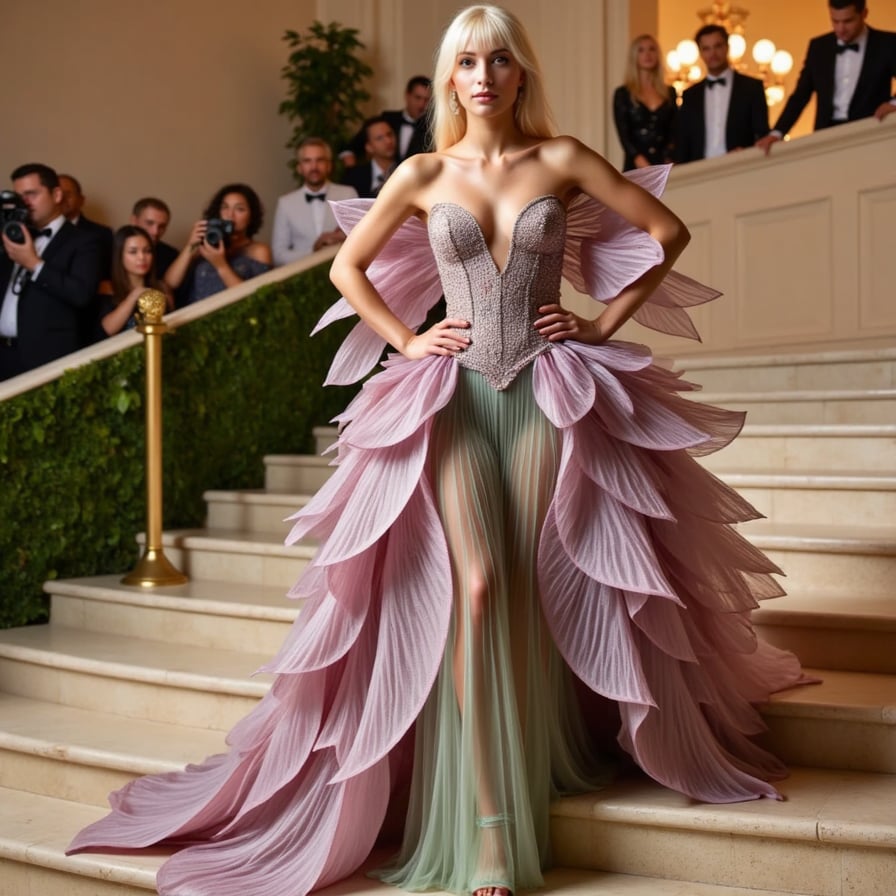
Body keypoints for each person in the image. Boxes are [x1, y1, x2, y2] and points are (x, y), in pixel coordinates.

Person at [68, 6, 811, 896]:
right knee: (478, 582)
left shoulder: (563, 159)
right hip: (454, 397)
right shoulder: (422, 171)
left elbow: (668, 235)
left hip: (547, 390)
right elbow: (348, 269)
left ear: (521, 72)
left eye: (499, 59)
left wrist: (599, 321)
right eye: (467, 61)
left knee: (541, 576)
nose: (484, 75)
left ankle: (543, 758)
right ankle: (490, 825)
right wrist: (406, 339)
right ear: (450, 77)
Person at [0, 163, 103, 380]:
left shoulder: (84, 240)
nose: (24, 203)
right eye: (19, 197)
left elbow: (81, 294)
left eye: (31, 194)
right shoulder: (10, 234)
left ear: (56, 195)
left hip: (44, 359)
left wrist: (34, 264)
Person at [756, 0, 896, 154]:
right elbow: (800, 96)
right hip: (826, 136)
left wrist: (894, 103)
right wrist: (777, 133)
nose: (840, 29)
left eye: (848, 21)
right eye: (835, 21)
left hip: (870, 132)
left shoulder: (888, 43)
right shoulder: (818, 47)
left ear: (864, 14)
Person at [675, 24, 770, 163]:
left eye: (717, 46)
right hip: (699, 172)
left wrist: (747, 152)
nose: (712, 54)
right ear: (700, 53)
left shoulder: (752, 87)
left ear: (727, 47)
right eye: (706, 49)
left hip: (741, 165)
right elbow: (683, 142)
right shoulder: (690, 95)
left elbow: (762, 133)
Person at [164, 183, 272, 304]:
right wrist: (190, 246)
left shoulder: (258, 250)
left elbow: (260, 298)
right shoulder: (208, 243)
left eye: (239, 209)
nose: (230, 215)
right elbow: (170, 284)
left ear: (251, 216)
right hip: (197, 315)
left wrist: (221, 265)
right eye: (225, 207)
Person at [271, 137, 358, 266]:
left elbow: (363, 238)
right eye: (307, 161)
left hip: (344, 267)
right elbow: (278, 255)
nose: (314, 167)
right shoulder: (285, 203)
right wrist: (312, 251)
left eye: (320, 160)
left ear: (329, 165)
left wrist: (341, 238)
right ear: (299, 167)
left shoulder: (348, 193)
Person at [612, 34, 677, 170]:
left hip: (665, 164)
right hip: (635, 165)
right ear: (634, 56)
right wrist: (638, 158)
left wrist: (669, 158)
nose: (647, 54)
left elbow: (674, 131)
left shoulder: (670, 92)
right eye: (641, 50)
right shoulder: (623, 94)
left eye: (652, 49)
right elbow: (624, 133)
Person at [343, 75, 433, 166]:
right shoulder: (387, 119)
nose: (422, 104)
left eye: (426, 100)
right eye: (417, 98)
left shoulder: (433, 127)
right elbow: (352, 146)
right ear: (407, 95)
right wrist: (351, 169)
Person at [95, 225, 164, 336]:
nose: (142, 257)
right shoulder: (106, 288)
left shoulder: (161, 288)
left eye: (147, 251)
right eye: (133, 252)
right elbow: (107, 330)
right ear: (119, 255)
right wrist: (134, 296)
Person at [58, 173, 114, 276]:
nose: (61, 199)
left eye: (68, 195)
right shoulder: (38, 231)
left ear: (81, 200)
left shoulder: (103, 234)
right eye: (58, 195)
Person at [343, 116, 399, 198]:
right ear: (369, 147)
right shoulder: (354, 176)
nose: (388, 141)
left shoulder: (409, 171)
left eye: (389, 135)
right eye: (379, 138)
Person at [130, 197, 179, 281]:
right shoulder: (110, 249)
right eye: (149, 223)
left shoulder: (172, 256)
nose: (155, 232)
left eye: (162, 226)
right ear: (134, 221)